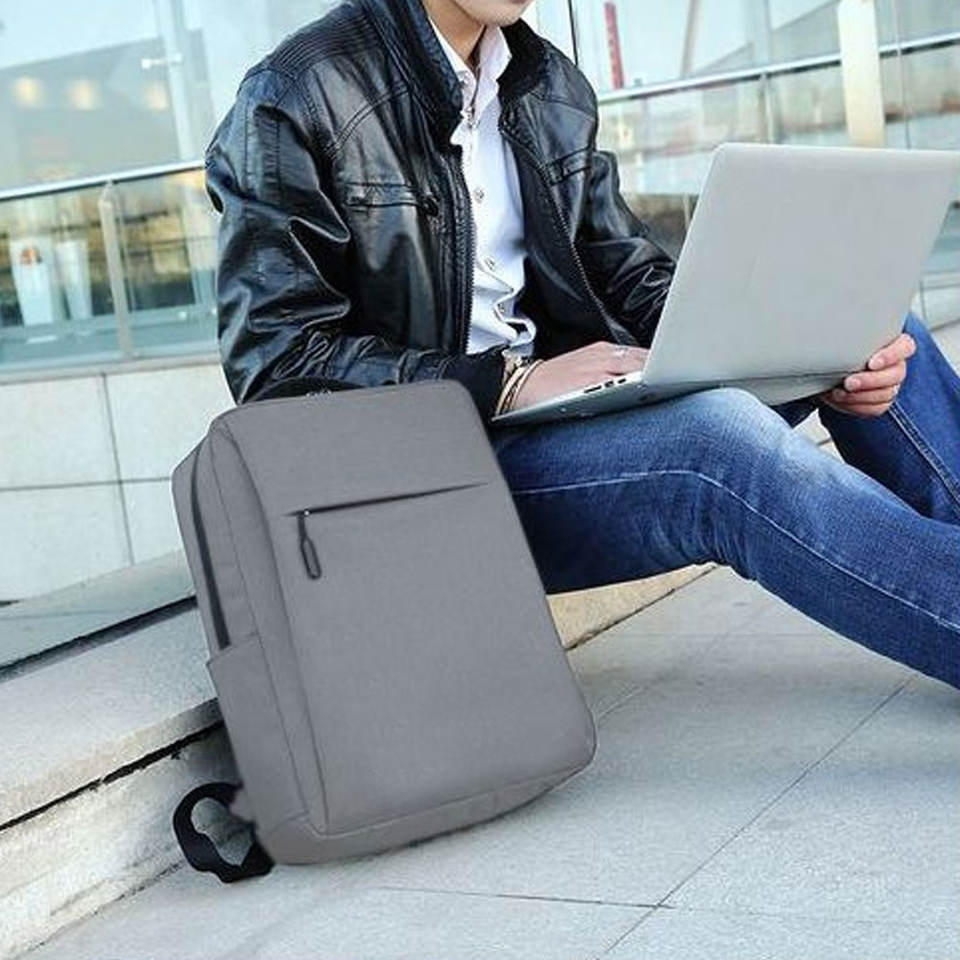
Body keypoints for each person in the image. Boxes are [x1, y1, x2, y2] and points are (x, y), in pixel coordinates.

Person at [206, 0, 960, 688]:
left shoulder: (547, 85)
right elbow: (280, 366)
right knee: (716, 442)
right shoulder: (296, 95)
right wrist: (505, 382)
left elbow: (628, 276)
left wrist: (798, 346)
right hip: (442, 470)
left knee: (876, 333)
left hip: (570, 415)